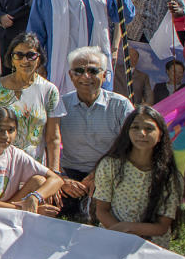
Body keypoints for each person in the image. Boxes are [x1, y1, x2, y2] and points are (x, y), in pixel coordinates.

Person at [26, 0, 126, 96]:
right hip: (59, 64)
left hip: (95, 64)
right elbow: (35, 33)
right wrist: (38, 64)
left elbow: (125, 16)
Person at [57, 46, 134, 219]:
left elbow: (131, 147)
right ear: (70, 75)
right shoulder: (61, 105)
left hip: (111, 171)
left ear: (105, 75)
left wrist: (100, 175)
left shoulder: (120, 106)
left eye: (93, 70)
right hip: (70, 174)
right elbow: (48, 143)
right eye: (78, 71)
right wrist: (61, 178)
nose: (86, 77)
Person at [92, 106, 183, 248]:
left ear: (160, 136)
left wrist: (129, 228)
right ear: (127, 132)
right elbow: (102, 210)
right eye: (135, 127)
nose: (142, 133)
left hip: (151, 245)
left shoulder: (169, 175)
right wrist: (121, 233)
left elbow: (162, 226)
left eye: (149, 129)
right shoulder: (110, 165)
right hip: (113, 236)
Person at [0, 32, 65, 167]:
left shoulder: (49, 91)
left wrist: (54, 173)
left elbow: (53, 138)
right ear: (12, 59)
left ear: (39, 58)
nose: (25, 61)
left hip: (32, 169)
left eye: (30, 55)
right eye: (19, 55)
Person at [126, 0, 185, 102]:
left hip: (157, 39)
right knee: (135, 75)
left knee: (154, 75)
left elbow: (182, 10)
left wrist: (176, 10)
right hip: (134, 36)